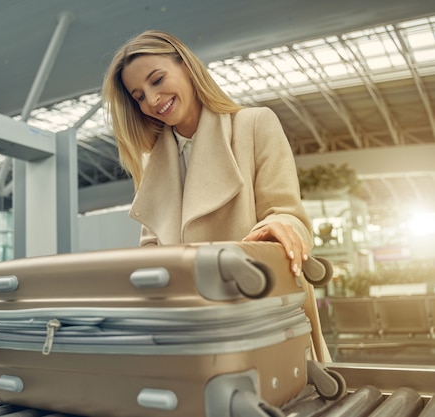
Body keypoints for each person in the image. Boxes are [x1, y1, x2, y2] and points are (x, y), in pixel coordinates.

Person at [102, 30, 331, 362]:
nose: (152, 101)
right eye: (138, 96)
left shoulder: (254, 125)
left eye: (157, 79)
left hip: (261, 313)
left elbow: (286, 213)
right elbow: (150, 249)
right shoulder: (151, 162)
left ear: (187, 67)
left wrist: (282, 226)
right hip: (192, 329)